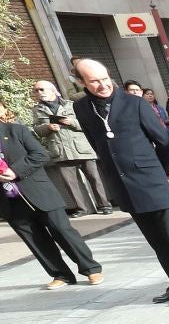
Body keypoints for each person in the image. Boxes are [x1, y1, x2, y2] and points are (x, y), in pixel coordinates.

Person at [71, 59, 169, 304]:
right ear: (81, 82)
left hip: (151, 180)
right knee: (155, 239)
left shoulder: (135, 103)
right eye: (94, 81)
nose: (102, 85)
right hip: (123, 185)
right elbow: (96, 142)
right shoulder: (82, 108)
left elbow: (164, 140)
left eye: (105, 78)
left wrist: (157, 168)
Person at [0, 102, 104, 288]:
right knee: (35, 240)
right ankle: (60, 274)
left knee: (63, 231)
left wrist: (15, 171)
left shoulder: (16, 131)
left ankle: (91, 269)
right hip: (10, 201)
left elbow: (41, 154)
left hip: (40, 192)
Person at [29, 80, 110, 216]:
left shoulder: (71, 105)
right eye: (36, 91)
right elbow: (36, 130)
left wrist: (71, 122)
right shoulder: (37, 110)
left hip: (81, 148)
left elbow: (88, 123)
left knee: (94, 178)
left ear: (52, 90)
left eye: (41, 89)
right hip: (60, 150)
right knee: (70, 183)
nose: (39, 93)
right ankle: (81, 209)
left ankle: (105, 205)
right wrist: (47, 127)